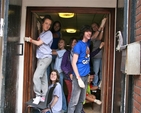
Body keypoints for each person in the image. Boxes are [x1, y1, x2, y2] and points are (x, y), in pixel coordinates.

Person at [24, 15, 53, 104]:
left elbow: (38, 43)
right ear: (42, 23)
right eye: (46, 23)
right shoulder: (42, 33)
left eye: (49, 24)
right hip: (41, 58)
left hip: (45, 57)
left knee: (36, 76)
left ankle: (38, 96)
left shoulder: (49, 33)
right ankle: (44, 97)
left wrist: (29, 39)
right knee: (43, 78)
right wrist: (37, 28)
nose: (47, 25)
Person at [67, 25, 93, 113]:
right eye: (87, 31)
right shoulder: (78, 45)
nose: (89, 33)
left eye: (90, 31)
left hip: (85, 76)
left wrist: (101, 27)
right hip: (79, 76)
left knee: (81, 100)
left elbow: (96, 36)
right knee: (74, 100)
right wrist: (78, 78)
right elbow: (73, 63)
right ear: (83, 33)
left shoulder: (88, 43)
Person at [52, 38, 67, 112]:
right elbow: (53, 51)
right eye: (59, 42)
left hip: (59, 74)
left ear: (64, 44)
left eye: (62, 42)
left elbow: (53, 53)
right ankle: (61, 107)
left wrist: (45, 49)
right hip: (56, 73)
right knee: (57, 91)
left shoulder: (63, 51)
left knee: (60, 91)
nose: (60, 44)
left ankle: (64, 107)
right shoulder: (58, 50)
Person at [91, 18, 107, 88]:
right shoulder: (93, 36)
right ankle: (95, 85)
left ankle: (100, 85)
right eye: (93, 27)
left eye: (95, 26)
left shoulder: (100, 32)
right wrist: (102, 26)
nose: (94, 28)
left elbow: (101, 36)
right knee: (96, 72)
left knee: (102, 71)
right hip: (96, 57)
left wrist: (102, 28)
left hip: (102, 56)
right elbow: (99, 38)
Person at [61, 37, 78, 103]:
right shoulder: (67, 53)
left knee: (79, 94)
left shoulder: (79, 53)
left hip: (78, 76)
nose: (74, 44)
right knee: (71, 93)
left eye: (75, 42)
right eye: (72, 42)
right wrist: (69, 73)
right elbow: (63, 66)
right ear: (70, 44)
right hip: (68, 77)